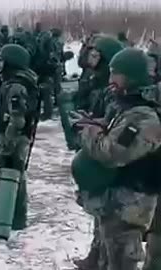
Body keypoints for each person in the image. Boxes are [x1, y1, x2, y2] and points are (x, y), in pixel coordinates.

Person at [72, 48, 161, 270]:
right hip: (118, 197)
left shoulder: (144, 116)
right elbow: (117, 132)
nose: (111, 79)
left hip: (131, 203)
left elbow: (112, 153)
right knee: (107, 256)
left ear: (132, 76)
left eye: (117, 74)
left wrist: (88, 132)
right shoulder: (130, 105)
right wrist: (97, 124)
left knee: (121, 261)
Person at [0, 44, 40, 232]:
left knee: (11, 174)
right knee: (14, 175)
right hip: (15, 136)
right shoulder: (13, 81)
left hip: (14, 137)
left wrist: (7, 142)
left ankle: (7, 221)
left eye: (1, 59)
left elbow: (17, 120)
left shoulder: (15, 86)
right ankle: (14, 221)